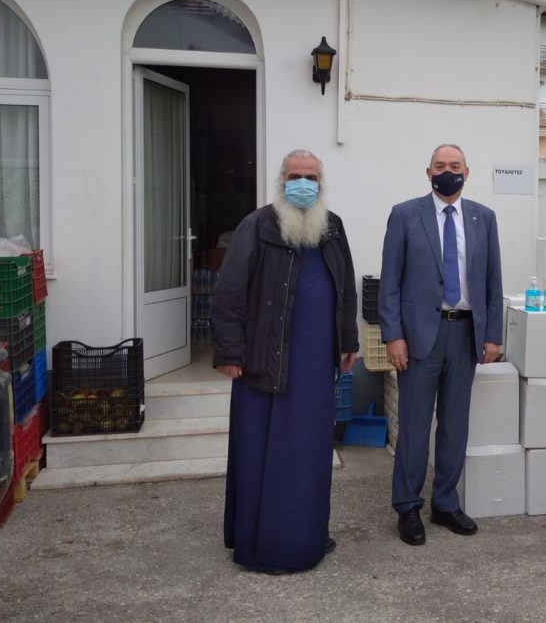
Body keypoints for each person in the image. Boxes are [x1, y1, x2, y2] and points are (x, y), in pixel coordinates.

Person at [212, 149, 358, 573]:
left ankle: (307, 537)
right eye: (295, 176)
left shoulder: (333, 227)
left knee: (309, 453)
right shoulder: (257, 226)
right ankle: (263, 545)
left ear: (321, 183)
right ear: (281, 180)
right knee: (262, 452)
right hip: (264, 359)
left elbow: (346, 288)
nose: (303, 184)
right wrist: (230, 352)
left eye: (311, 177)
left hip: (315, 364)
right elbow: (229, 293)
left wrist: (348, 340)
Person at [380, 144, 503, 546]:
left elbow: (493, 282)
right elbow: (390, 282)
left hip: (465, 335)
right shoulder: (405, 214)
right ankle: (408, 506)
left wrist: (492, 335)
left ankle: (445, 503)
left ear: (467, 171)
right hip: (419, 338)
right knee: (414, 428)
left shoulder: (484, 218)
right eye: (439, 165)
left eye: (454, 165)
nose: (447, 171)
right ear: (428, 172)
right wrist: (393, 336)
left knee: (454, 426)